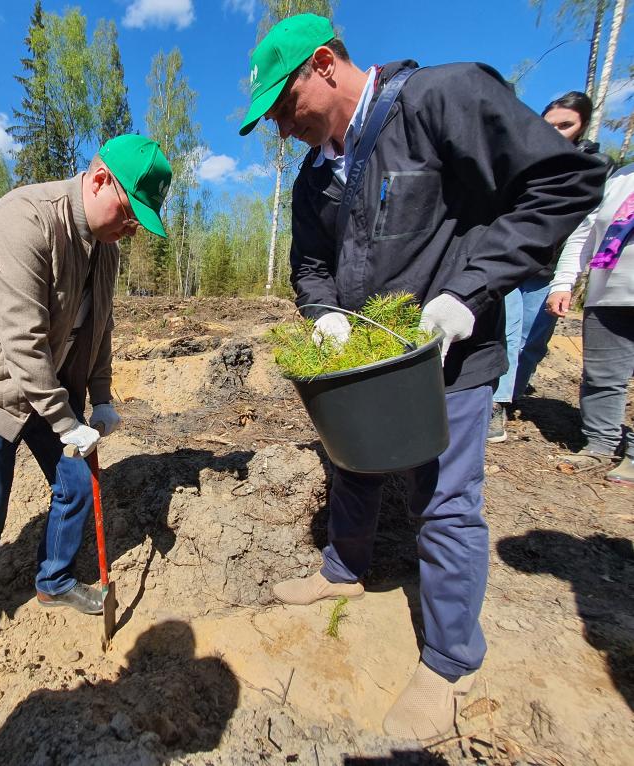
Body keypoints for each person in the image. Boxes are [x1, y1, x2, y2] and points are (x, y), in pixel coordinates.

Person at [238, 14, 605, 739]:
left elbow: (564, 181)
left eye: (284, 106)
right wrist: (322, 317)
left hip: (452, 355)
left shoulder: (442, 99)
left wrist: (468, 293)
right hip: (362, 366)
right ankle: (343, 570)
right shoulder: (315, 176)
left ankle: (447, 659)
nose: (282, 128)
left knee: (444, 502)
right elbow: (309, 266)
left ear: (323, 64)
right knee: (352, 468)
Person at [0, 134, 172, 650]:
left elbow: (100, 328)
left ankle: (55, 581)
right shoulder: (23, 219)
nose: (131, 230)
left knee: (76, 480)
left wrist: (103, 397)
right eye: (130, 213)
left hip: (50, 386)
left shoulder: (105, 250)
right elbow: (21, 341)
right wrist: (67, 422)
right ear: (98, 180)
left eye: (139, 223)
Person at [488, 91, 614, 442]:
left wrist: (567, 279)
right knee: (507, 334)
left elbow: (586, 227)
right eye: (549, 125)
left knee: (534, 340)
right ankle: (494, 406)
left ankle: (510, 396)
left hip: (550, 269)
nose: (556, 132)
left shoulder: (594, 167)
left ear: (582, 127)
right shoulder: (520, 159)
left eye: (566, 125)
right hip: (510, 264)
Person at [547, 164, 634, 486]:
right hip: (608, 293)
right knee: (601, 375)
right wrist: (563, 282)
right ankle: (599, 444)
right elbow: (584, 235)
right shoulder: (620, 179)